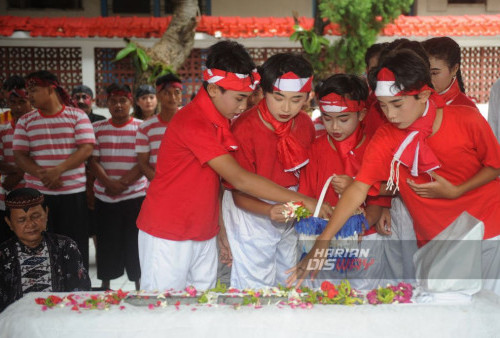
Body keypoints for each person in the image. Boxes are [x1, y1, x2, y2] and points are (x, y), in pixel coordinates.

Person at [288, 49, 500, 295]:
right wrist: (322, 243)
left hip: (488, 229)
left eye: (397, 104)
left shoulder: (466, 119)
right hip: (435, 238)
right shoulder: (387, 136)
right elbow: (359, 187)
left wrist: (457, 191)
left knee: (490, 311)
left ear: (423, 94)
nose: (390, 115)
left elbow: (495, 166)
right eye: (383, 106)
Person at [137, 40, 330, 292]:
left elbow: (214, 185)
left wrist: (219, 229)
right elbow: (239, 180)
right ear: (215, 89)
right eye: (239, 98)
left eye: (247, 98)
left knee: (201, 307)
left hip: (202, 230)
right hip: (168, 231)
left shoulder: (222, 118)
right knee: (161, 310)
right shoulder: (193, 122)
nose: (243, 106)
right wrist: (305, 200)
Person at [221, 53, 316, 289]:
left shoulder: (304, 124)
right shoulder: (244, 128)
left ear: (308, 96)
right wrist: (269, 209)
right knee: (255, 283)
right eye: (279, 97)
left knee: (288, 276)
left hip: (293, 205)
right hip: (253, 209)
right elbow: (239, 191)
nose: (286, 107)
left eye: (297, 100)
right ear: (263, 91)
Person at [298, 73, 392, 289]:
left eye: (343, 119)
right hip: (323, 239)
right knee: (324, 296)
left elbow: (379, 204)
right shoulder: (315, 151)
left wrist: (358, 228)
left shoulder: (375, 150)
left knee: (365, 296)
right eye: (327, 118)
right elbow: (306, 200)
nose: (335, 127)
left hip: (365, 237)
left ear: (362, 114)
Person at [13, 71, 95, 270]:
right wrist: (43, 174)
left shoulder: (77, 116)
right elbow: (20, 155)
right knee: (40, 245)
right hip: (38, 197)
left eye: (34, 90)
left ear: (51, 89)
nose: (30, 96)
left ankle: (78, 286)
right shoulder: (26, 121)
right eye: (28, 91)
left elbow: (86, 148)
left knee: (74, 245)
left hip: (72, 195)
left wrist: (58, 170)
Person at [90, 84, 147, 291]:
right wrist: (109, 184)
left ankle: (139, 284)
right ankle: (105, 284)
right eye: (113, 101)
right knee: (106, 243)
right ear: (107, 104)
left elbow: (143, 162)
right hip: (105, 197)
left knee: (135, 242)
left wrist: (121, 184)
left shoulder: (142, 127)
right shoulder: (97, 128)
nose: (118, 105)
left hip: (135, 196)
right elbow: (93, 161)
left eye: (123, 101)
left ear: (131, 103)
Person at [0, 188, 90, 312]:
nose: (30, 224)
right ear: (9, 222)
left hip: (59, 319)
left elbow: (80, 291)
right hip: (14, 325)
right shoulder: (3, 254)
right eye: (21, 220)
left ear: (46, 214)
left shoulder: (65, 246)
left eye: (36, 216)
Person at [71, 84, 105, 253]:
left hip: (95, 177)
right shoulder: (68, 121)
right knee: (78, 220)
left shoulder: (100, 121)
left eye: (85, 97)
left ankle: (101, 257)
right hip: (73, 179)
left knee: (96, 220)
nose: (81, 101)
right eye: (77, 97)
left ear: (93, 100)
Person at [0, 77, 31, 243]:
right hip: (7, 193)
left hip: (36, 192)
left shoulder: (38, 121)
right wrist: (21, 170)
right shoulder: (1, 121)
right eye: (13, 102)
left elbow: (44, 158)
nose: (17, 107)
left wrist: (18, 174)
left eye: (22, 101)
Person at [135, 77, 182, 181]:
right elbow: (143, 164)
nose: (173, 97)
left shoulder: (192, 122)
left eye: (177, 92)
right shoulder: (145, 127)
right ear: (158, 96)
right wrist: (162, 184)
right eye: (167, 93)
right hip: (158, 190)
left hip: (188, 188)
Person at [422, 37, 477, 108]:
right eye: (424, 72)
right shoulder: (415, 102)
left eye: (434, 73)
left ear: (454, 69)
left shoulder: (467, 108)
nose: (428, 79)